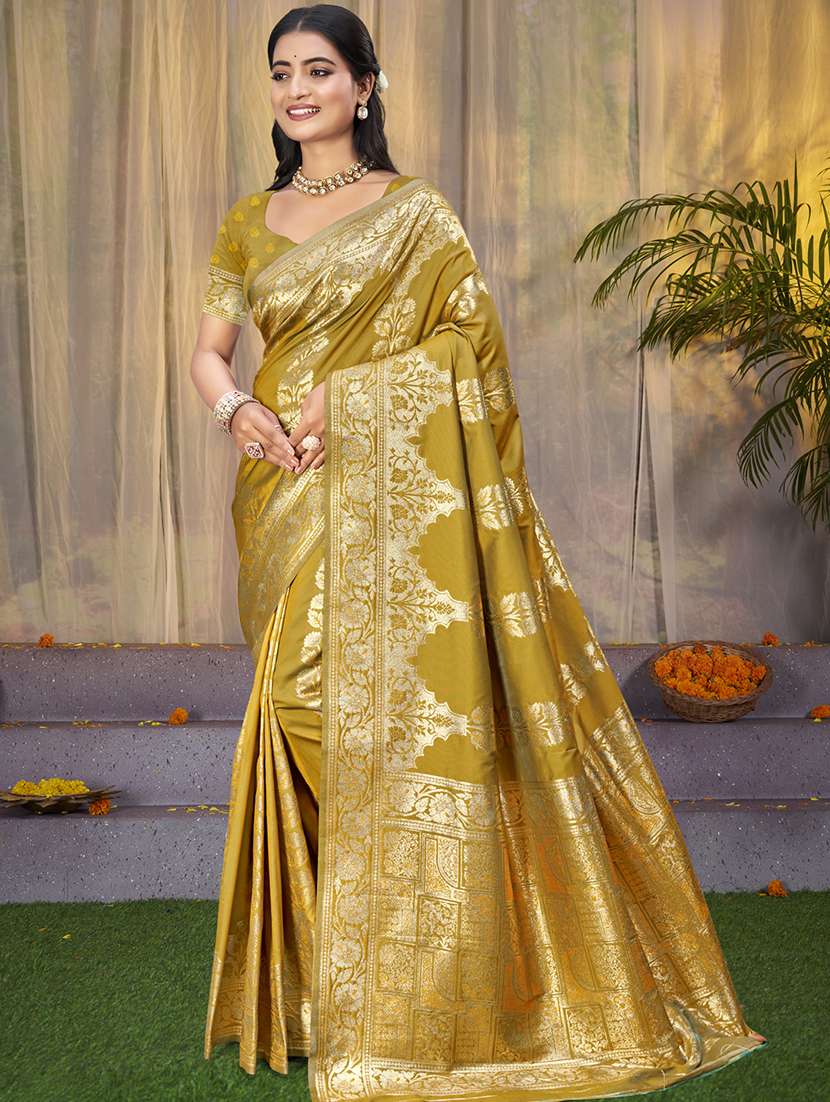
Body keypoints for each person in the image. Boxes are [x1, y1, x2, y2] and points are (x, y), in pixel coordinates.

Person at [190, 5, 767, 1100]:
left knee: (364, 702)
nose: (297, 89)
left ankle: (448, 958)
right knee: (301, 698)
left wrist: (355, 396)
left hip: (386, 479)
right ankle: (350, 977)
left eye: (319, 70)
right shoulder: (246, 220)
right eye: (281, 73)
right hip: (280, 488)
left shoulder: (414, 213)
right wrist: (236, 409)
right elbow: (210, 349)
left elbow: (469, 345)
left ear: (364, 86)